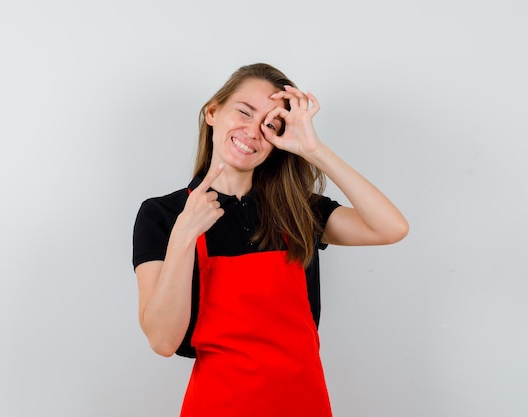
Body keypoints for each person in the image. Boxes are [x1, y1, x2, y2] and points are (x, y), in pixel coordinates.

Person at [132, 63, 408, 417]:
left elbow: (391, 228)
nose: (253, 132)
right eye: (244, 112)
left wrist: (313, 149)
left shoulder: (296, 209)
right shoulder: (163, 215)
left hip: (303, 406)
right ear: (213, 112)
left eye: (271, 125)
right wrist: (185, 235)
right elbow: (162, 340)